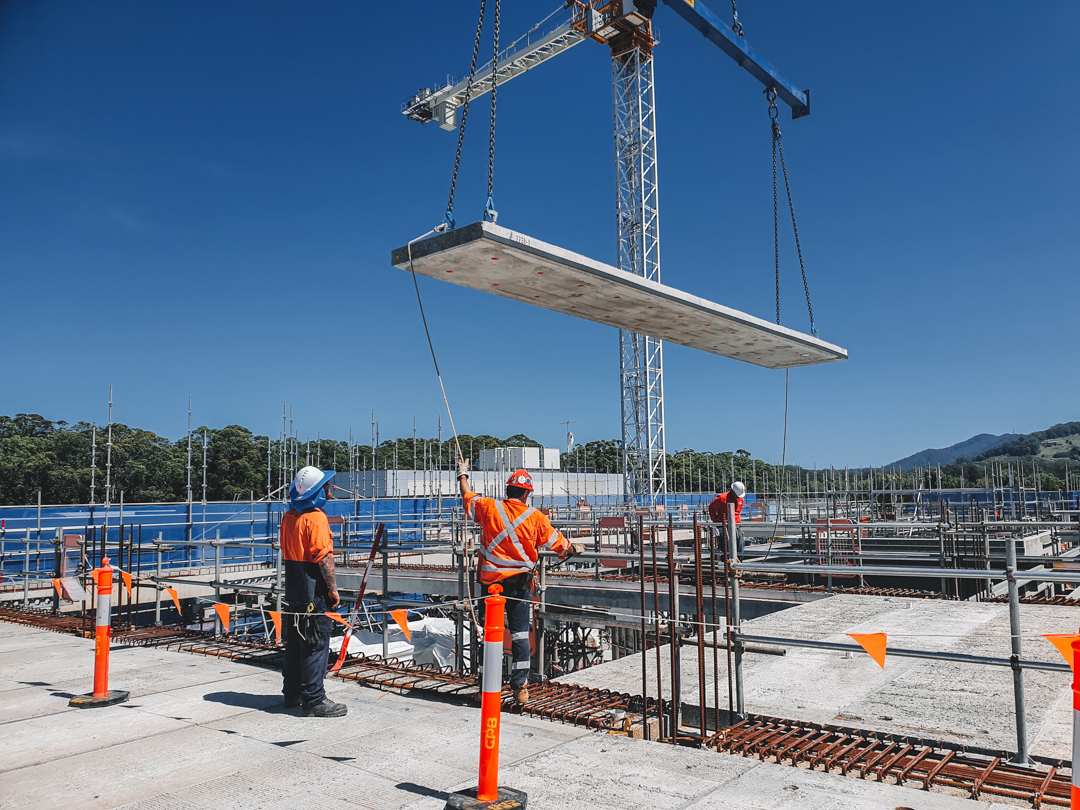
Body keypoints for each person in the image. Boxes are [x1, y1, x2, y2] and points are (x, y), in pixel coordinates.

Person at [457, 460, 583, 704]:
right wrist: (573, 547)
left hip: (491, 586)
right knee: (519, 636)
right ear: (526, 493)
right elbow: (559, 543)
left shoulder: (489, 507)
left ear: (508, 490)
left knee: (489, 635)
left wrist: (463, 474)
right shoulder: (535, 518)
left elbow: (467, 495)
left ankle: (486, 689)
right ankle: (520, 688)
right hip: (519, 585)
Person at [280, 465, 347, 718]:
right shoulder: (316, 517)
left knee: (295, 642)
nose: (330, 490)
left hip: (294, 587)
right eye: (327, 486)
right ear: (318, 491)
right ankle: (314, 699)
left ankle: (292, 692)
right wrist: (332, 590)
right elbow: (323, 558)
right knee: (315, 644)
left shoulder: (289, 517)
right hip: (313, 589)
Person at [709, 481, 746, 556]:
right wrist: (716, 522)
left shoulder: (740, 500)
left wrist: (737, 524)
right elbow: (711, 508)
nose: (737, 497)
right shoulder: (722, 498)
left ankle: (738, 563)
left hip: (736, 525)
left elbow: (737, 513)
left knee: (740, 543)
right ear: (732, 491)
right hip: (723, 525)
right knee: (725, 545)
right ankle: (725, 562)